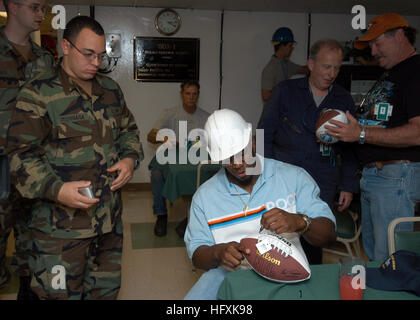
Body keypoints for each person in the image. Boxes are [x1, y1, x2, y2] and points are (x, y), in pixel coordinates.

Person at [6, 15, 143, 299]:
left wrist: (130, 159)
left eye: (100, 56)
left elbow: (129, 131)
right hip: (60, 231)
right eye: (88, 54)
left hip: (108, 224)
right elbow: (20, 158)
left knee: (105, 293)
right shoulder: (38, 94)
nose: (96, 63)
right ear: (65, 47)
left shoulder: (110, 91)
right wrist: (56, 190)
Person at [184, 109, 336, 300]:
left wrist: (301, 221)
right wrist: (217, 252)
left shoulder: (293, 178)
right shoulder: (204, 197)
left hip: (286, 278)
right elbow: (197, 255)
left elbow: (329, 234)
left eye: (241, 153)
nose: (238, 164)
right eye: (227, 158)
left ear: (252, 141)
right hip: (232, 281)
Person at [324, 13, 420, 262]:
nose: (374, 51)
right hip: (374, 177)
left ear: (399, 35)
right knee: (376, 258)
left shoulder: (415, 71)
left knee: (392, 263)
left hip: (394, 176)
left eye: (378, 44)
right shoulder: (392, 72)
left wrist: (361, 133)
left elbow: (418, 132)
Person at [258, 39, 359, 264]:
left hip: (322, 181)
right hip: (282, 179)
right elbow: (264, 134)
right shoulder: (285, 91)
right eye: (326, 66)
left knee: (314, 238)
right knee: (277, 240)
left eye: (336, 67)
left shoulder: (343, 98)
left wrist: (348, 186)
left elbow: (351, 147)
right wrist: (264, 176)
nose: (332, 73)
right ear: (311, 64)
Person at [0, 0, 54, 299]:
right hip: (1, 163)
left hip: (35, 164)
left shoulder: (45, 59)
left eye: (43, 8)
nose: (41, 14)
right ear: (12, 6)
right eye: (35, 7)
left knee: (33, 241)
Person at [147, 80, 209, 238]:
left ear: (198, 96)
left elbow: (215, 141)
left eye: (194, 94)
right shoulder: (169, 114)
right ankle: (161, 216)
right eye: (188, 93)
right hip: (171, 156)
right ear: (182, 94)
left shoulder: (206, 117)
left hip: (195, 159)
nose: (191, 97)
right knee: (156, 173)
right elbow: (150, 135)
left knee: (212, 173)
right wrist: (165, 136)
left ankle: (192, 218)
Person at [261, 27, 308, 104]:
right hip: (273, 114)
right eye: (290, 45)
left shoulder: (286, 64)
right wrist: (290, 93)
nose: (292, 48)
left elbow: (305, 70)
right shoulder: (270, 68)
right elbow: (265, 95)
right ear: (282, 46)